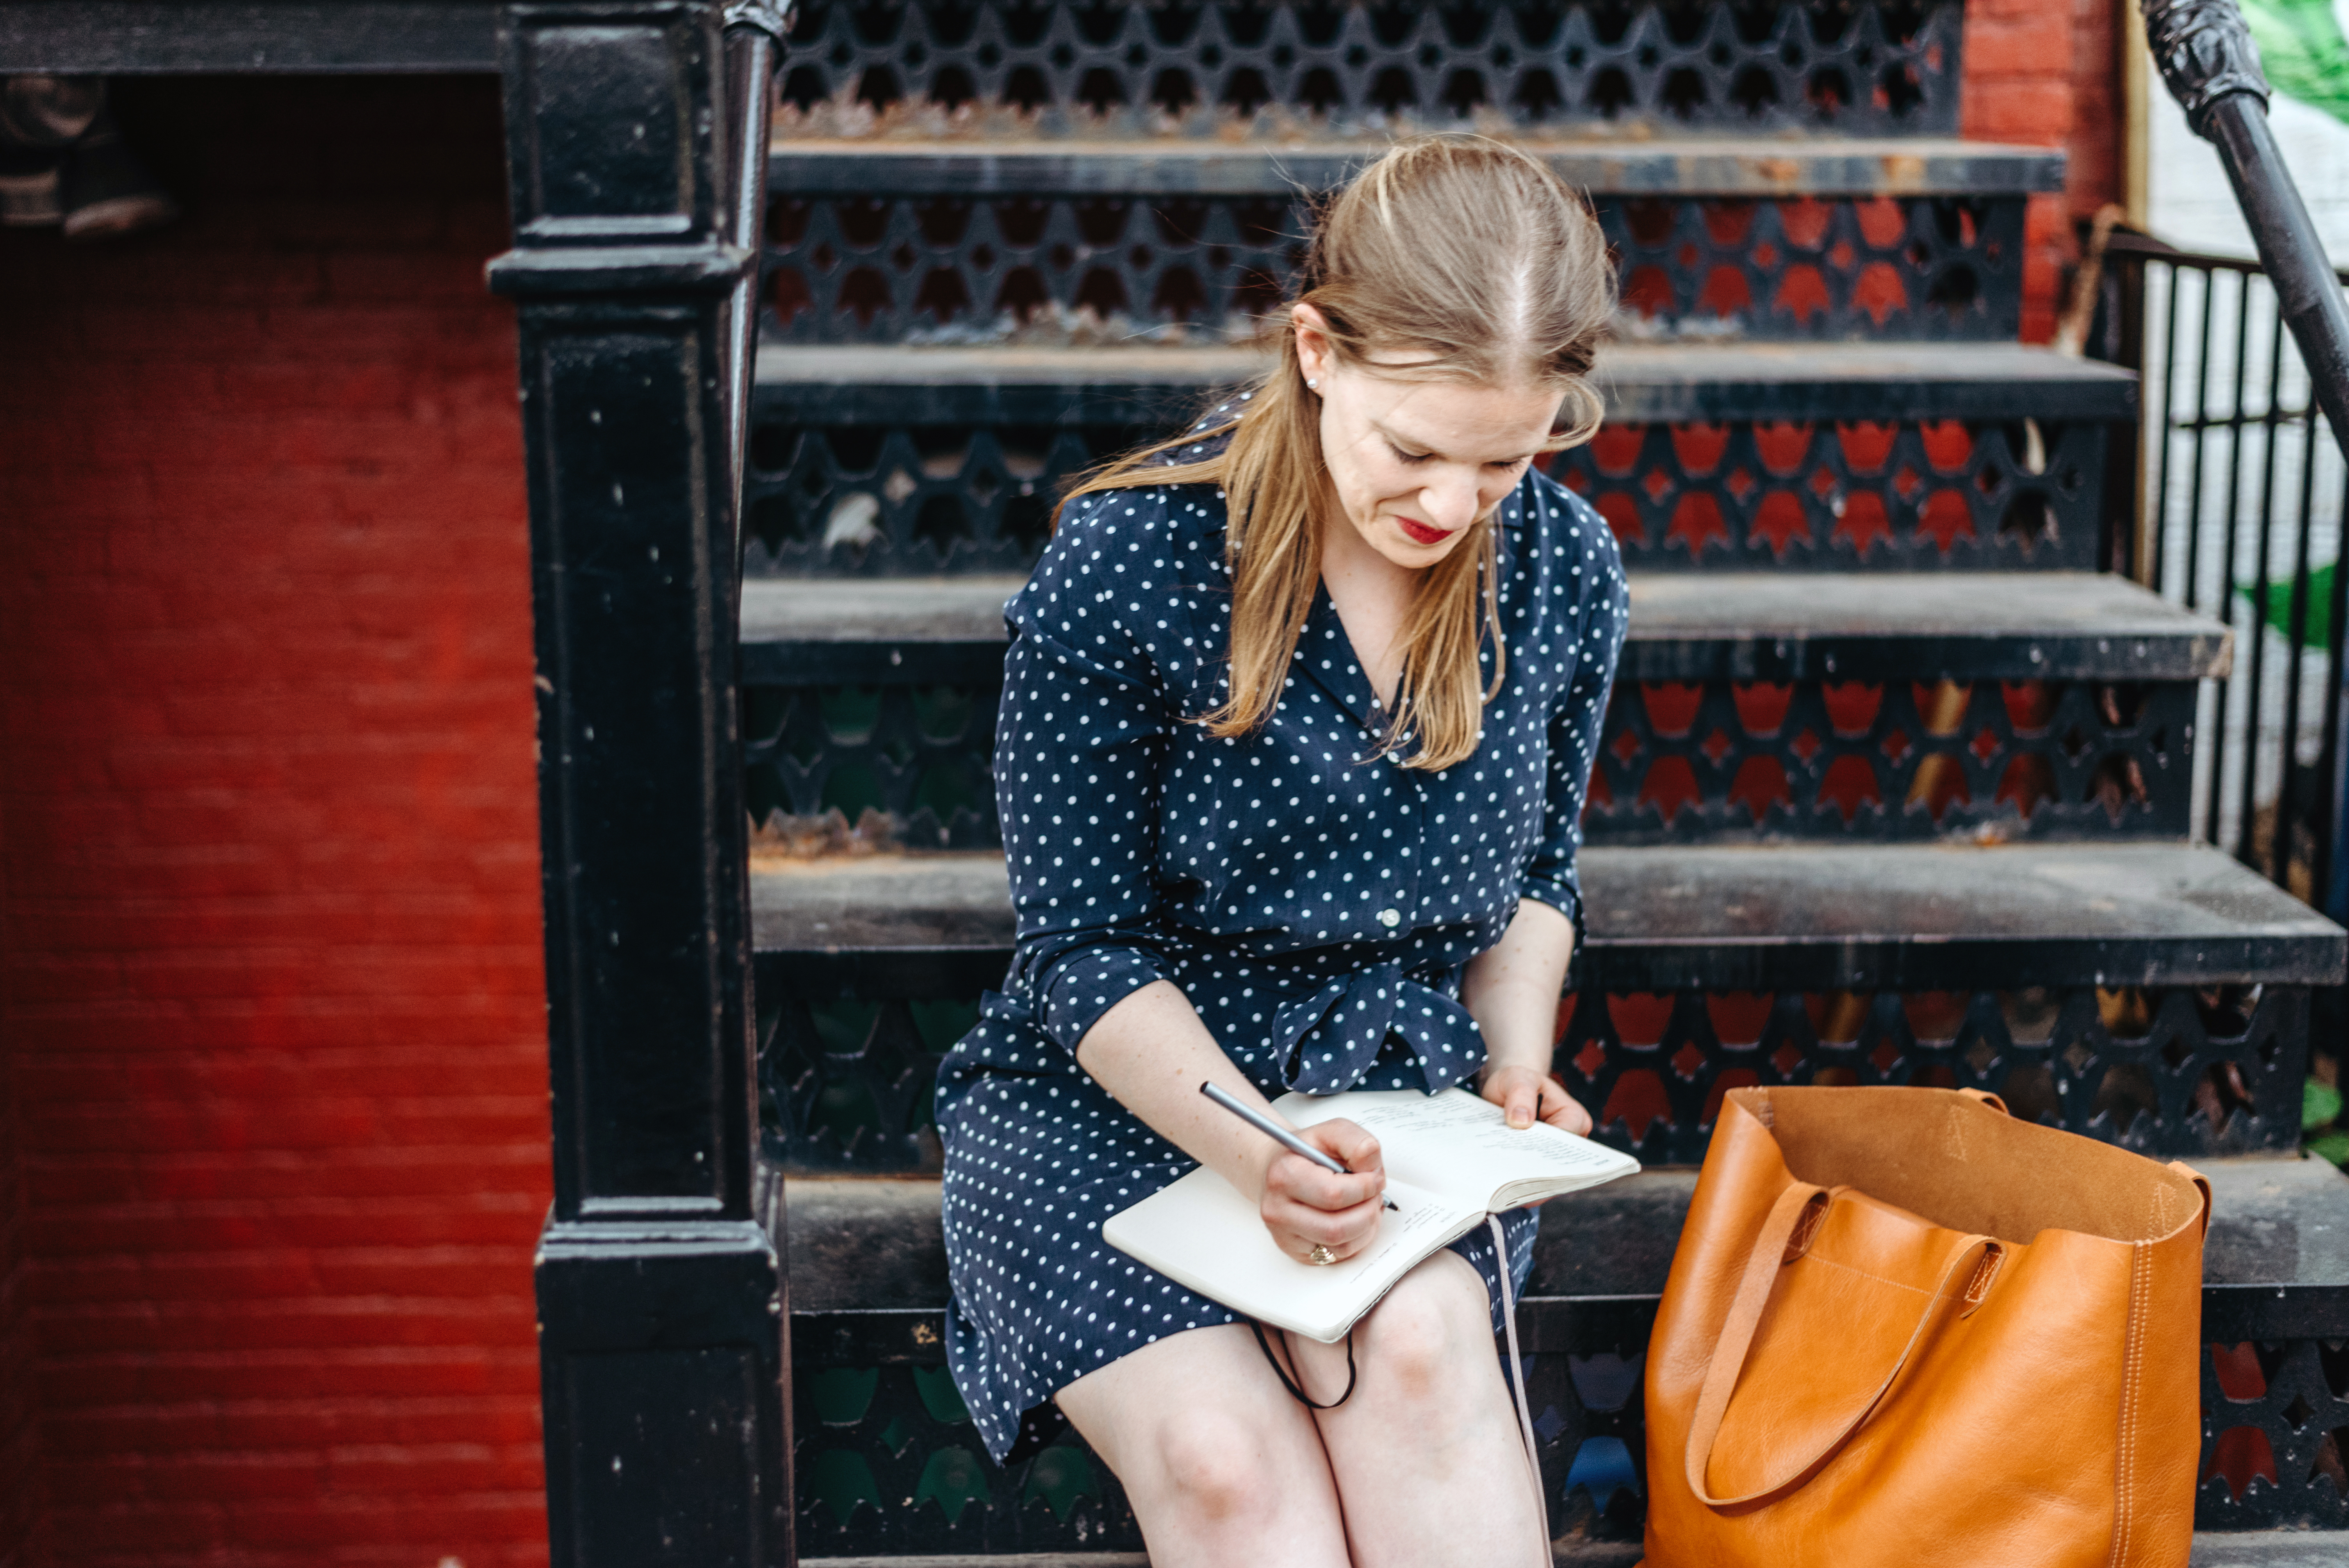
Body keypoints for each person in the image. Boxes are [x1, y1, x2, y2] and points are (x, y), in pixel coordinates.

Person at [934, 135, 1626, 1567]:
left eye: (1504, 459)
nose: (1451, 504)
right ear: (1316, 351)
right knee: (1224, 1465)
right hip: (1123, 1105)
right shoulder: (1132, 559)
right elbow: (1080, 946)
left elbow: (1539, 879)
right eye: (1414, 449)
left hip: (1394, 1111)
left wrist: (1510, 1059)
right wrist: (1253, 1149)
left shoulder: (1566, 565)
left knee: (1427, 1351)